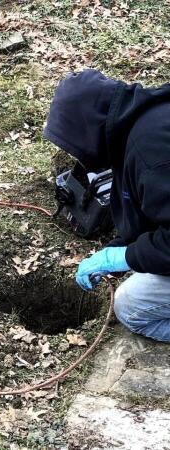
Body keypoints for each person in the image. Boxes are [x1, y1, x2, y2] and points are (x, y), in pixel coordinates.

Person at [43, 69, 170, 342]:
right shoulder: (146, 124)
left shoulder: (151, 157)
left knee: (132, 305)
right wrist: (116, 250)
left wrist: (122, 259)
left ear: (86, 127)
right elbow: (153, 217)